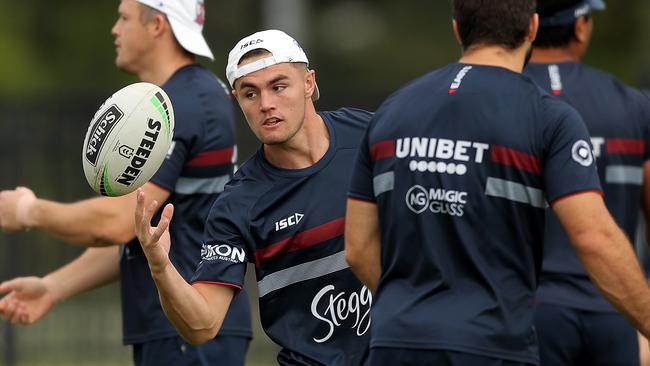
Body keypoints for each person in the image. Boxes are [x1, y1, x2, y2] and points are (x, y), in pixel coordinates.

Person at [345, 0, 650, 365]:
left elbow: (358, 248)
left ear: (457, 28)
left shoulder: (392, 110)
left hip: (395, 342)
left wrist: (415, 311)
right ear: (532, 28)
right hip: (491, 345)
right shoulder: (548, 116)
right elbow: (594, 238)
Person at [0, 1, 252, 365]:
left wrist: (29, 210)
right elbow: (136, 228)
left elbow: (116, 223)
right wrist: (53, 288)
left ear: (157, 26)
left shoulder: (182, 103)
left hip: (190, 332)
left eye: (125, 18)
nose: (115, 29)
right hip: (178, 328)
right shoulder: (189, 95)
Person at [134, 29, 374, 365]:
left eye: (278, 86)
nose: (266, 105)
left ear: (308, 83)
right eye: (250, 94)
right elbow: (202, 325)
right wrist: (161, 268)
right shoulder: (238, 203)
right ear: (237, 100)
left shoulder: (369, 136)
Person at [524, 1, 650, 365]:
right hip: (616, 309)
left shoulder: (503, 98)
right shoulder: (632, 104)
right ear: (581, 27)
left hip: (525, 313)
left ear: (529, 27)